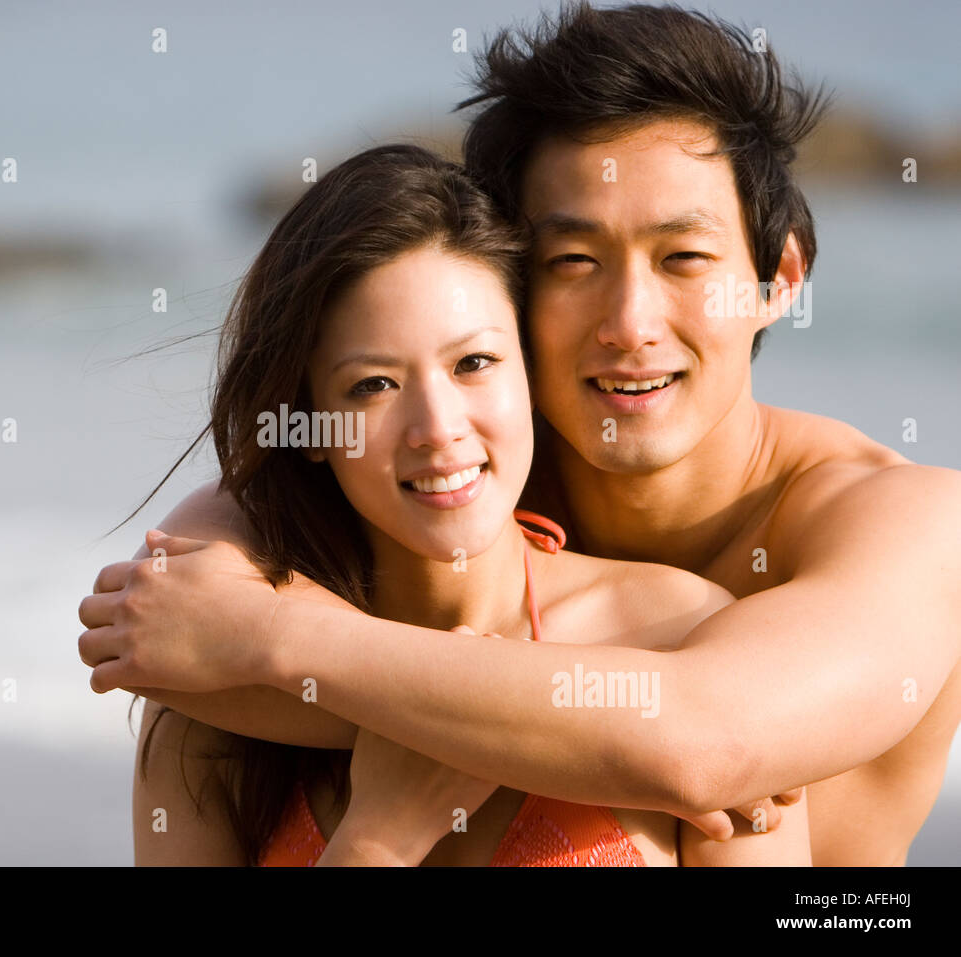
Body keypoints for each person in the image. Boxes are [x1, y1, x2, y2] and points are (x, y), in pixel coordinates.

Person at [80, 3, 961, 866]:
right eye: (573, 262)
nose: (629, 322)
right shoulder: (467, 466)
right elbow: (174, 608)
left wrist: (279, 642)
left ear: (780, 276)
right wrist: (609, 725)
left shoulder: (913, 523)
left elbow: (704, 744)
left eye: (683, 259)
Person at [125, 143, 808, 865]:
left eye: (474, 363)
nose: (438, 428)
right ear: (310, 426)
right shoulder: (217, 710)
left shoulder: (681, 653)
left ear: (532, 368)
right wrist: (377, 840)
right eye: (372, 385)